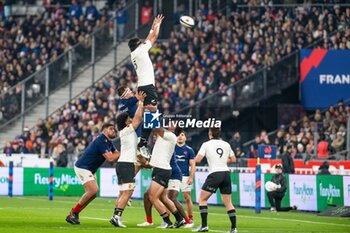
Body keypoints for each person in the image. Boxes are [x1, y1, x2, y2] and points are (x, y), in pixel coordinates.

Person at [66, 122, 120, 224]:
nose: (114, 131)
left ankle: (74, 214)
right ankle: (73, 212)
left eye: (114, 129)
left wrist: (119, 153)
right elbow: (111, 158)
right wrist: (123, 152)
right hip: (83, 167)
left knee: (93, 194)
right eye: (111, 129)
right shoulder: (102, 140)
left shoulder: (108, 142)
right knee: (93, 190)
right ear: (104, 130)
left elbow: (116, 155)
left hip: (89, 169)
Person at [128, 14, 164, 158]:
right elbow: (154, 37)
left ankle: (143, 141)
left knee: (152, 114)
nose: (143, 43)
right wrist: (158, 24)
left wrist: (152, 26)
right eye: (141, 42)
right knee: (153, 111)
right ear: (138, 45)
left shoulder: (135, 53)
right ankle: (142, 142)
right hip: (147, 86)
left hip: (144, 86)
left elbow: (150, 36)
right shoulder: (140, 51)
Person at [137, 123, 185, 228]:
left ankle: (167, 222)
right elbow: (154, 130)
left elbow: (155, 128)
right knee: (163, 198)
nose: (170, 123)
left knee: (152, 196)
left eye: (173, 123)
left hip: (162, 170)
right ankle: (179, 219)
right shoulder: (164, 136)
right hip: (160, 169)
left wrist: (152, 113)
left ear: (174, 129)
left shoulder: (171, 135)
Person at [110, 91, 145, 228]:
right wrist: (141, 102)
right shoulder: (127, 130)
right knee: (128, 191)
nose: (130, 119)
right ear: (125, 122)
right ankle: (117, 216)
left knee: (124, 192)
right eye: (128, 119)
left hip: (123, 164)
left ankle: (115, 216)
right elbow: (137, 119)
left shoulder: (124, 132)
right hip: (126, 164)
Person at [194, 127, 237, 233]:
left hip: (215, 173)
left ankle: (204, 226)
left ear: (210, 133)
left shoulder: (206, 144)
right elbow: (233, 159)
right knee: (228, 203)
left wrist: (190, 160)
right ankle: (233, 228)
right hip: (226, 174)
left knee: (202, 200)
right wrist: (221, 160)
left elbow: (198, 160)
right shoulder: (226, 144)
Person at [175, 128, 195, 224]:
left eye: (182, 135)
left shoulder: (189, 150)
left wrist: (191, 177)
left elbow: (192, 165)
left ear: (185, 138)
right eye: (178, 135)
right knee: (169, 198)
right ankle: (172, 218)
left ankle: (190, 218)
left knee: (187, 197)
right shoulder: (172, 148)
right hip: (173, 176)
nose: (180, 137)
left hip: (185, 177)